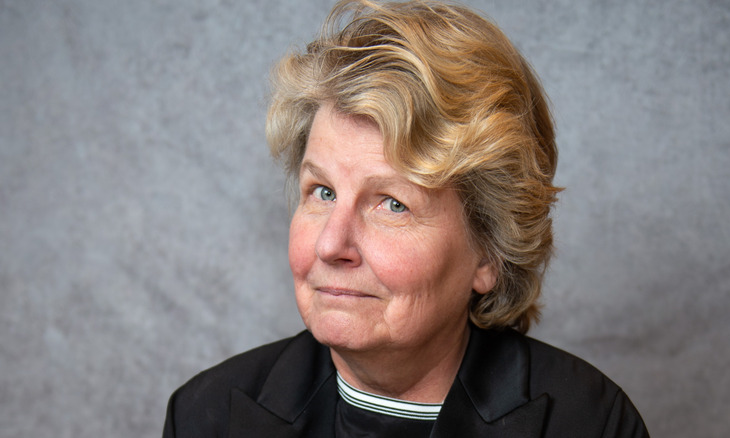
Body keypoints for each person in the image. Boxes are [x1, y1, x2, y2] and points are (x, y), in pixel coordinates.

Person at [162, 1, 650, 436]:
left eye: (392, 203)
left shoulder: (591, 424)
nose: (331, 245)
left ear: (489, 252)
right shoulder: (206, 418)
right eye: (323, 192)